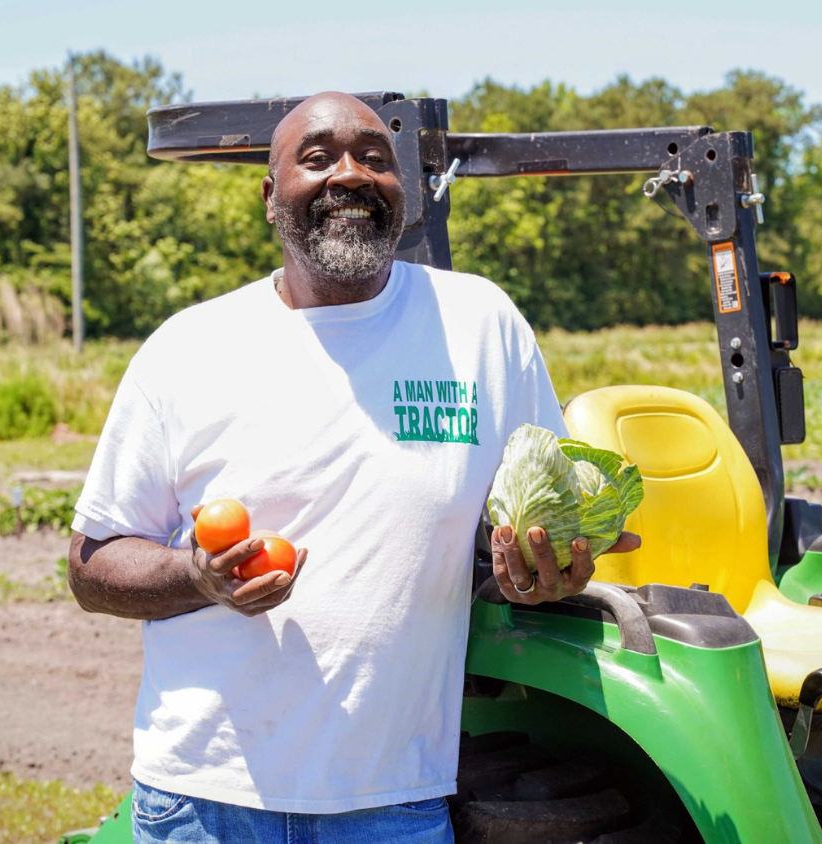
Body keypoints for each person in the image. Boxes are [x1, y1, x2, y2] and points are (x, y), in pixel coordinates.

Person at [67, 91, 639, 844]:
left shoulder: (480, 326)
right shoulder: (187, 349)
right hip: (205, 801)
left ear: (402, 192)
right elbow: (90, 565)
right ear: (270, 198)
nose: (351, 174)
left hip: (393, 800)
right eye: (317, 157)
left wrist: (535, 573)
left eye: (375, 158)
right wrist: (197, 577)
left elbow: (508, 535)